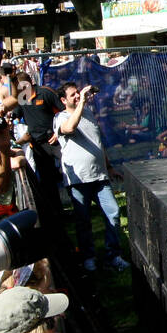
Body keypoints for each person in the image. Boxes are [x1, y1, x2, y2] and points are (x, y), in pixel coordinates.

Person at [54, 82, 128, 272]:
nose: (78, 97)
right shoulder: (60, 118)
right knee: (83, 221)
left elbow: (98, 143)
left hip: (100, 176)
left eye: (78, 93)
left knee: (113, 212)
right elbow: (69, 128)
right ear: (63, 100)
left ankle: (114, 256)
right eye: (73, 95)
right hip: (78, 180)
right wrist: (81, 104)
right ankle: (89, 258)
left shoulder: (88, 114)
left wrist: (109, 167)